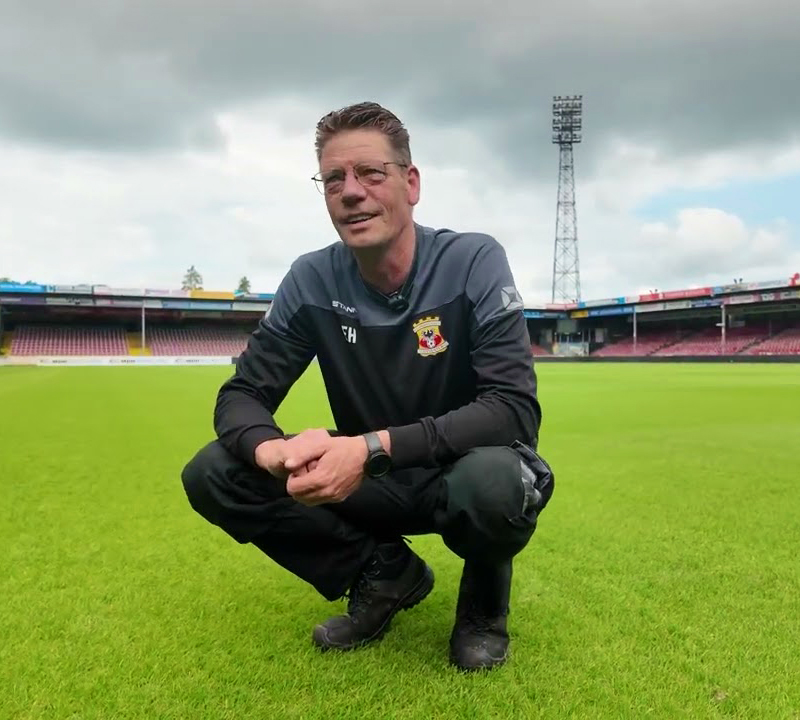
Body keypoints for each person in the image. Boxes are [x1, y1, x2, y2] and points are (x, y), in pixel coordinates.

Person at [180, 101, 555, 672]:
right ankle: (382, 573)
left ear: (411, 183)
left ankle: (483, 607)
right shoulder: (311, 277)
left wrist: (371, 447)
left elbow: (512, 411)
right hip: (369, 479)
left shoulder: (473, 259)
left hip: (456, 470)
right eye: (334, 179)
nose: (351, 191)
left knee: (495, 481)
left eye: (370, 174)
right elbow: (242, 395)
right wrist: (273, 451)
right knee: (214, 472)